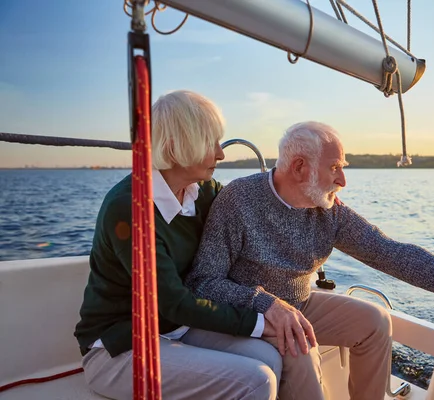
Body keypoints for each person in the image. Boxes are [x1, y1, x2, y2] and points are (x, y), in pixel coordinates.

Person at [184, 121, 434, 400]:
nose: (343, 179)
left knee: (373, 320)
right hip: (248, 314)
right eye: (335, 167)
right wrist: (265, 303)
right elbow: (202, 282)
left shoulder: (329, 212)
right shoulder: (239, 200)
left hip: (299, 304)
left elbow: (396, 255)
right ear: (298, 167)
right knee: (299, 347)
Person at [74, 90, 284, 400]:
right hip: (118, 347)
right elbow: (171, 301)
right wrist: (257, 321)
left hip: (174, 329)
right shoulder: (129, 207)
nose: (221, 154)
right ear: (176, 146)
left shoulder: (203, 191)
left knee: (271, 358)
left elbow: (251, 216)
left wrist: (304, 200)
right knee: (255, 380)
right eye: (211, 142)